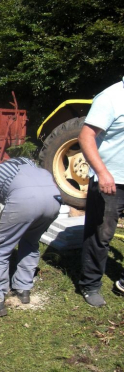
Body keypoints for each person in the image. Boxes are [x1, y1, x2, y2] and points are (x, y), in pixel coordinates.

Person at [0, 157, 61, 317]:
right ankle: (23, 289)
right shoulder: (24, 161)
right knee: (30, 241)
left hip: (26, 200)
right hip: (54, 199)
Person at [78, 78, 124, 307]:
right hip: (111, 179)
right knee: (101, 234)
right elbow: (86, 137)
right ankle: (90, 284)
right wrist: (103, 172)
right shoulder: (111, 98)